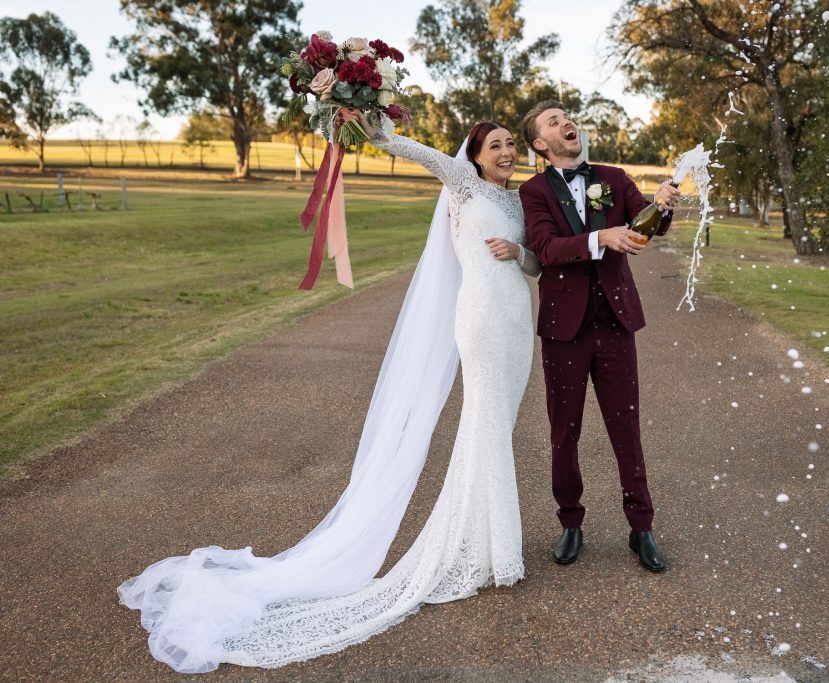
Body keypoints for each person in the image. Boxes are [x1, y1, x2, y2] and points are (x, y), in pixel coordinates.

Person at [117, 110, 540, 673]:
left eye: (511, 144)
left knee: (497, 428)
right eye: (495, 145)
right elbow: (414, 152)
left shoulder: (518, 203)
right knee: (485, 423)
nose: (506, 152)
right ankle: (487, 553)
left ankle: (485, 545)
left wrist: (522, 254)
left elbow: (535, 261)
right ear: (477, 154)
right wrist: (370, 119)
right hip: (483, 320)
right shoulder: (462, 183)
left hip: (516, 317)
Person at [519, 100, 679, 573]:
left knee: (625, 427)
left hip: (615, 323)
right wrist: (599, 239)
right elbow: (545, 248)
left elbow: (651, 225)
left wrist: (663, 205)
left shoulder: (613, 176)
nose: (566, 121)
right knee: (564, 431)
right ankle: (571, 523)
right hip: (563, 331)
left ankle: (642, 527)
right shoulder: (533, 191)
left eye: (567, 115)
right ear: (540, 143)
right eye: (553, 120)